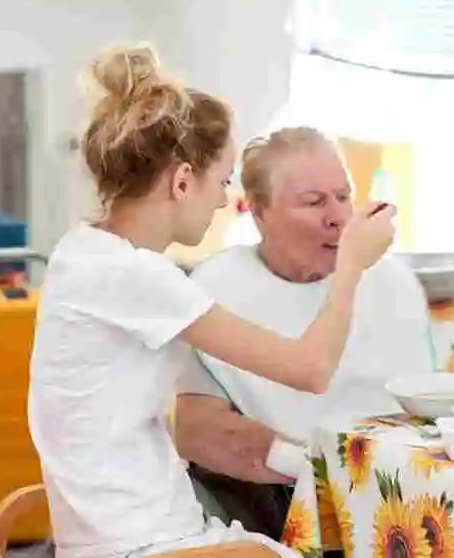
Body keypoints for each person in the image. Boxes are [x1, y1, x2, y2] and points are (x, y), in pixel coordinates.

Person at [26, 45, 396, 558]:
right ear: (182, 182)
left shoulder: (80, 252)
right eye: (221, 182)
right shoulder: (138, 278)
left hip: (116, 532)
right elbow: (311, 369)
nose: (224, 200)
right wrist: (351, 263)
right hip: (142, 544)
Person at [174, 127, 434, 539]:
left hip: (401, 488)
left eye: (344, 197)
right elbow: (196, 430)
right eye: (314, 202)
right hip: (282, 498)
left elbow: (427, 404)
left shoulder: (392, 281)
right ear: (259, 213)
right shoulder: (218, 287)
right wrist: (310, 467)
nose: (338, 217)